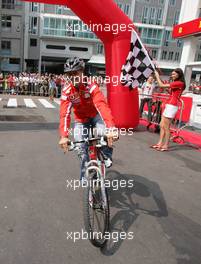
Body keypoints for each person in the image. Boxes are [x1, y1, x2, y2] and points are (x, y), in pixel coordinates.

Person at [59, 57, 118, 180]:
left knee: (104, 132)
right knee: (79, 144)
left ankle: (106, 154)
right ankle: (86, 171)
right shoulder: (67, 91)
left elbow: (101, 105)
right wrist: (64, 136)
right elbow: (65, 114)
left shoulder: (90, 85)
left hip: (95, 115)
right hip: (81, 120)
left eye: (75, 73)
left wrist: (111, 128)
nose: (72, 76)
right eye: (69, 74)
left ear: (82, 72)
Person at [151, 68, 186, 151]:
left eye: (174, 74)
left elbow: (161, 85)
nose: (172, 75)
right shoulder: (176, 83)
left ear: (179, 75)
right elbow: (172, 93)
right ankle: (160, 143)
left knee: (166, 127)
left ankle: (165, 145)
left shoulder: (179, 83)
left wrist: (157, 76)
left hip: (172, 106)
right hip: (170, 105)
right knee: (162, 125)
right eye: (172, 74)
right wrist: (166, 88)